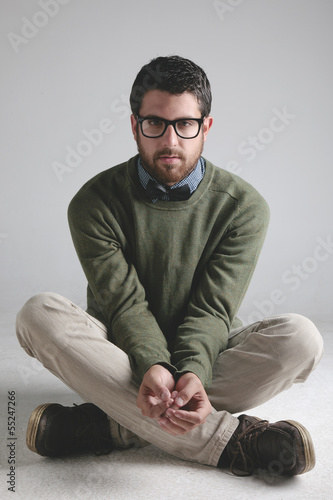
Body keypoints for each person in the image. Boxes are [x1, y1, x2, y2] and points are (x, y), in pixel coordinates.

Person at [16, 55, 323, 477]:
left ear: (206, 127)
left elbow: (212, 309)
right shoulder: (94, 202)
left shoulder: (244, 208)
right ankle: (235, 442)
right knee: (37, 315)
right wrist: (153, 367)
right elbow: (124, 306)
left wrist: (193, 371)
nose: (171, 141)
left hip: (204, 354)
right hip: (119, 355)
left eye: (185, 124)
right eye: (155, 124)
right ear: (134, 125)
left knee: (301, 340)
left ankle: (112, 426)